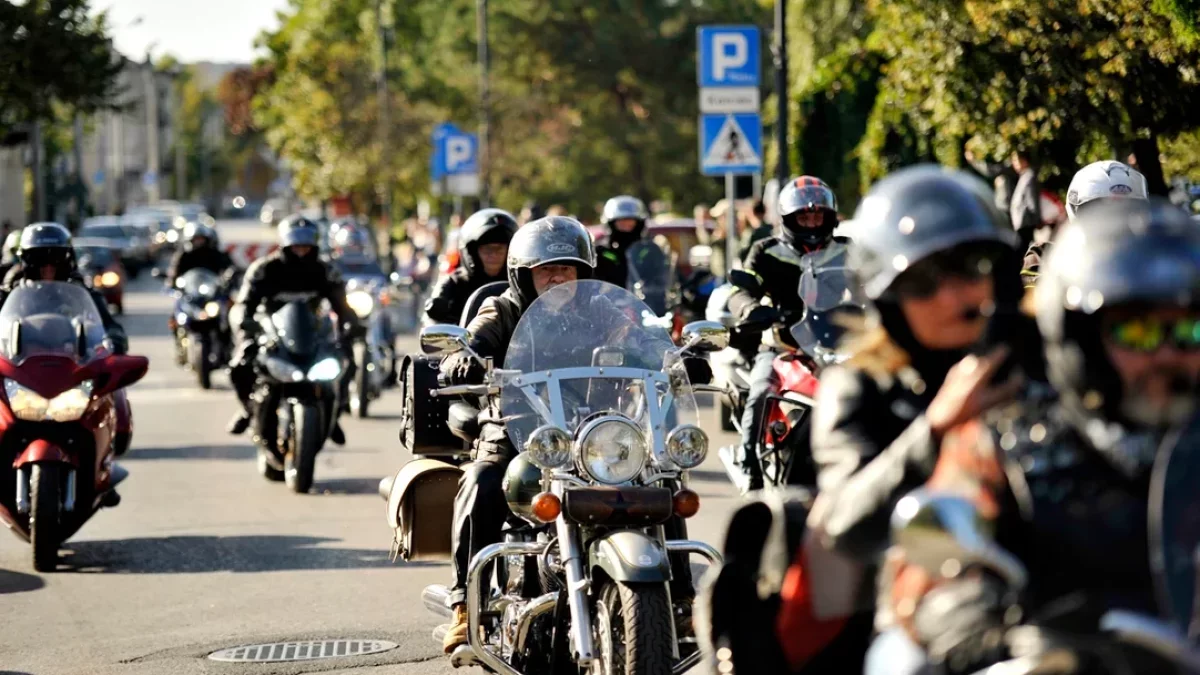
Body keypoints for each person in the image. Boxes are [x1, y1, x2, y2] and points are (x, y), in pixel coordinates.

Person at [875, 198, 1200, 675]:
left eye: (1190, 331)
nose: (1169, 354)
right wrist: (993, 634)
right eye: (1139, 333)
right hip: (1058, 661)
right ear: (1081, 338)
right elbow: (934, 582)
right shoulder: (1013, 440)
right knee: (898, 663)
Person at [438, 216, 712, 653]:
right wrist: (465, 356)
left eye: (566, 268)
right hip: (521, 427)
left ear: (583, 272)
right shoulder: (502, 308)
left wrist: (676, 359)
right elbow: (478, 335)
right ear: (522, 275)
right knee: (483, 480)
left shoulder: (601, 311)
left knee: (660, 476)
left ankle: (679, 599)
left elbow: (641, 337)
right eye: (545, 269)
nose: (556, 276)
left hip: (592, 429)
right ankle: (465, 606)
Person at [804, 165, 1024, 673]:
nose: (954, 296)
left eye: (968, 268)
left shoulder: (1044, 360)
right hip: (927, 605)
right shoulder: (860, 386)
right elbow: (844, 523)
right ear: (889, 296)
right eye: (924, 281)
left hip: (1064, 588)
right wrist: (937, 427)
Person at [726, 175, 844, 491]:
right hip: (783, 344)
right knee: (761, 390)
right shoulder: (766, 250)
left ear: (829, 216)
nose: (811, 221)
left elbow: (875, 284)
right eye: (804, 216)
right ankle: (748, 459)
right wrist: (749, 308)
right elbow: (739, 290)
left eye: (817, 215)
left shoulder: (849, 251)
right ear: (789, 218)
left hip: (841, 344)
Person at [226, 215, 364, 440]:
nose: (301, 251)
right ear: (285, 245)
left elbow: (343, 306)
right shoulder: (264, 269)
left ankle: (334, 414)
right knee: (240, 365)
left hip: (314, 335)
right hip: (271, 334)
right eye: (296, 246)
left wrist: (352, 326)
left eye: (306, 246)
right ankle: (247, 410)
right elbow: (244, 304)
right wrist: (245, 324)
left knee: (346, 361)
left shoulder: (326, 271)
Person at [0, 222, 128, 355]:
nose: (48, 268)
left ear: (67, 260)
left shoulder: (81, 294)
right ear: (27, 261)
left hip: (72, 365)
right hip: (20, 366)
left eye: (56, 259)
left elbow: (110, 326)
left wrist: (114, 341)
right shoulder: (10, 293)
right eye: (39, 259)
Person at [1022, 160, 1149, 280]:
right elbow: (1036, 297)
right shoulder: (1046, 256)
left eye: (1126, 209)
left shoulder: (1153, 261)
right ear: (1078, 210)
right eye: (1102, 210)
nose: (1113, 218)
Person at [423, 208, 517, 326]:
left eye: (499, 249)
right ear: (472, 252)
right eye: (487, 249)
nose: (493, 254)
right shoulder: (454, 283)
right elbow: (433, 323)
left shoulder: (520, 283)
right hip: (465, 343)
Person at [594, 195, 651, 289]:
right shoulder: (601, 252)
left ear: (639, 223)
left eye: (630, 220)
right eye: (621, 220)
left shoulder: (648, 250)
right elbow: (590, 284)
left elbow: (666, 276)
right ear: (611, 223)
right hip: (610, 302)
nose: (626, 224)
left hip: (645, 302)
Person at [165, 221, 235, 288]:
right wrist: (173, 281)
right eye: (196, 239)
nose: (199, 242)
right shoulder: (184, 255)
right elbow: (175, 271)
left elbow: (228, 268)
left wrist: (227, 277)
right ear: (191, 240)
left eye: (201, 239)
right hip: (190, 290)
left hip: (212, 289)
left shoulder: (215, 254)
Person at [1009, 149, 1042, 251]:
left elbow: (1032, 200)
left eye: (1016, 160)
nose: (1014, 164)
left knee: (1024, 249)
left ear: (1024, 160)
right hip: (1022, 221)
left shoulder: (1029, 176)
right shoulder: (1024, 176)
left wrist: (1037, 219)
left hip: (1025, 221)